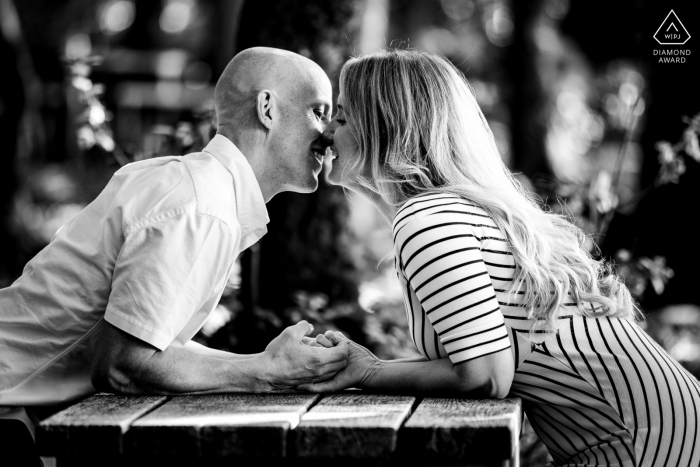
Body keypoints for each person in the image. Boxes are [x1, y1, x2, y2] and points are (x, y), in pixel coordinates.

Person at [304, 49, 700, 467]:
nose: (327, 132)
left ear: (384, 129)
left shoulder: (428, 220)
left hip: (650, 448)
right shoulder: (448, 211)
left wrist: (368, 372)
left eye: (343, 117)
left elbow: (485, 376)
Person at [0, 46, 348, 461]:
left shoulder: (197, 189)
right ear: (267, 109)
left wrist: (267, 362)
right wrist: (266, 373)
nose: (329, 133)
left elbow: (151, 346)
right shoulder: (201, 208)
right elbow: (123, 364)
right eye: (319, 111)